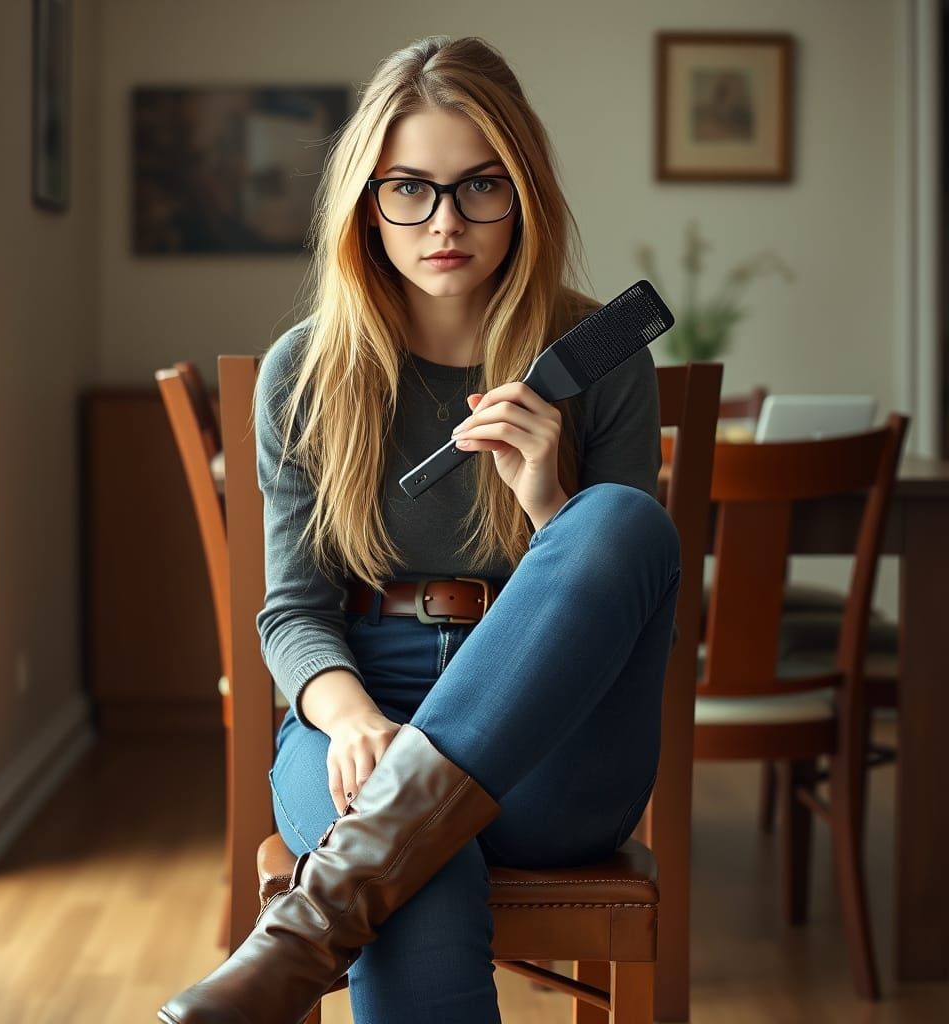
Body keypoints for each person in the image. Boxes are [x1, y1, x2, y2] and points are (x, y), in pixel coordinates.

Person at [159, 33, 680, 1024]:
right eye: (410, 188)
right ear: (367, 201)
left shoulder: (599, 360)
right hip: (359, 707)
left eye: (479, 186)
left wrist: (543, 499)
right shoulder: (305, 373)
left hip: (556, 747)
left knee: (619, 520)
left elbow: (619, 597)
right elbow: (292, 611)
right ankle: (355, 873)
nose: (445, 221)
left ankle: (296, 942)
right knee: (408, 853)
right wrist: (351, 719)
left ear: (522, 192)